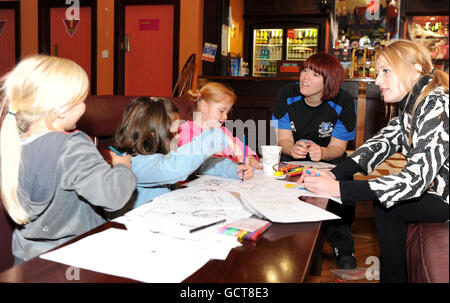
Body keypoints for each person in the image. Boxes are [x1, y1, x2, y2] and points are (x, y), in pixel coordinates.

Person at [298, 39, 449, 282]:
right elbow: (382, 142)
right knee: (386, 204)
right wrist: (335, 174)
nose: (377, 80)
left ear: (416, 70)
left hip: (445, 197)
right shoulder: (415, 102)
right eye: (377, 73)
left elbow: (415, 180)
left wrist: (339, 188)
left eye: (385, 71)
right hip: (439, 191)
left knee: (387, 203)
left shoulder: (436, 103)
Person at [0, 55, 137, 264]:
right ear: (62, 110)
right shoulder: (72, 147)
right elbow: (112, 196)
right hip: (76, 256)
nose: (84, 106)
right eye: (82, 100)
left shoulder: (11, 143)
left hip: (29, 260)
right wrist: (122, 168)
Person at [271, 53, 357, 269]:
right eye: (305, 70)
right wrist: (295, 148)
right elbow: (283, 140)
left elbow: (338, 148)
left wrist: (322, 152)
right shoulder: (287, 94)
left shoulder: (344, 101)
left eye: (315, 74)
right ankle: (285, 243)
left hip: (330, 159)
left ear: (329, 82)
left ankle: (343, 246)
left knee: (340, 187)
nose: (305, 78)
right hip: (293, 158)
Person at [114, 96, 254, 209]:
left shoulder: (163, 155)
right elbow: (175, 167)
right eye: (174, 132)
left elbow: (199, 164)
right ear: (152, 134)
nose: (179, 136)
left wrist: (231, 169)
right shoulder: (133, 164)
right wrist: (216, 136)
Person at [178, 82, 262, 169]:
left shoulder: (223, 131)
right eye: (221, 111)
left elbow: (241, 148)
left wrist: (249, 157)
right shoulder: (187, 132)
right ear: (204, 107)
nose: (225, 117)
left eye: (227, 113)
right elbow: (195, 162)